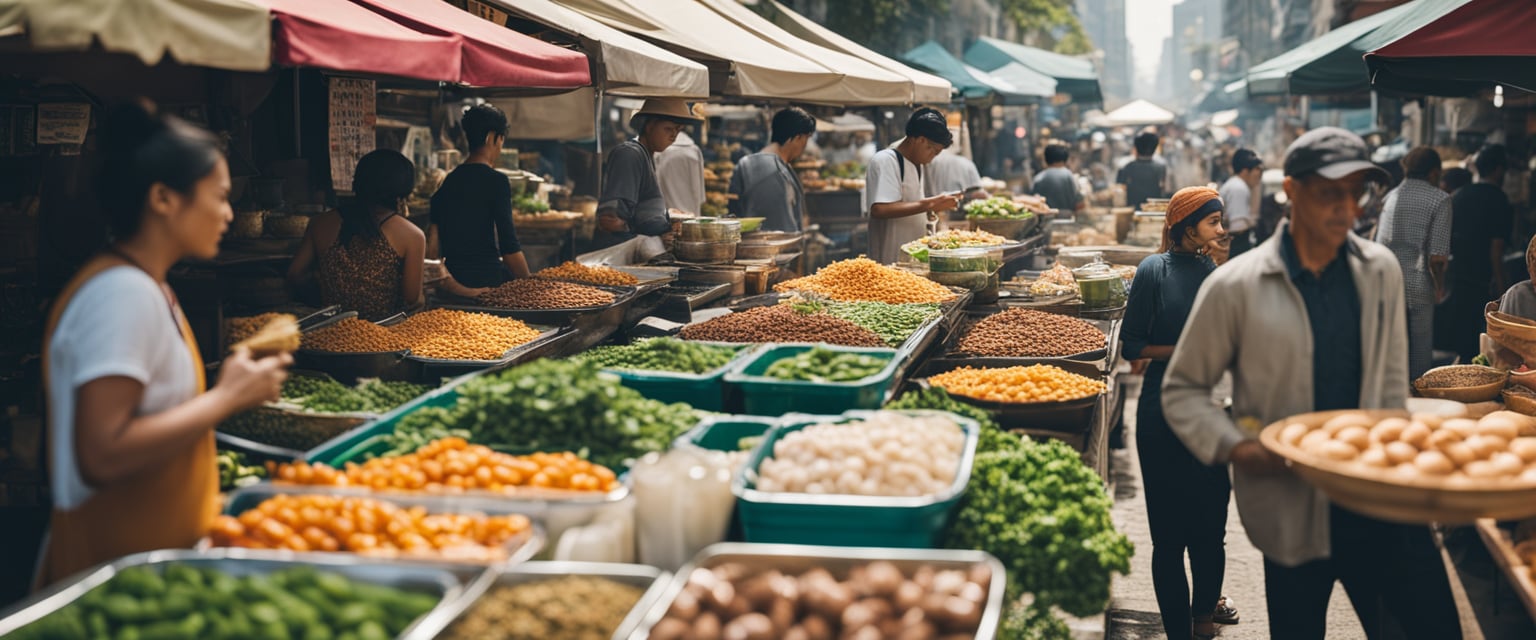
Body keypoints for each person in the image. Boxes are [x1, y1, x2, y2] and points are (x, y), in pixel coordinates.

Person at [1162, 127, 1461, 639]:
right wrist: (1237, 447)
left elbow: (1391, 385)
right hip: (1290, 505)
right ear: (1292, 193)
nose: (1346, 207)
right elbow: (1183, 390)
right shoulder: (1236, 285)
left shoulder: (1381, 270)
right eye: (1329, 192)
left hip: (1379, 495)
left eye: (1356, 192)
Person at [37, 102, 291, 586]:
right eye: (218, 197)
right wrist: (227, 397)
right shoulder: (121, 294)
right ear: (163, 198)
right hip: (116, 578)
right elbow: (102, 452)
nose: (229, 213)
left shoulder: (146, 286)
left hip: (153, 569)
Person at [1121, 187, 1236, 640]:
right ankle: (1177, 632)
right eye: (1213, 222)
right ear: (1187, 227)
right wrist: (1194, 350)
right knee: (1169, 539)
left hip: (1210, 409)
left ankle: (1204, 618)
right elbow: (1133, 346)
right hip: (1160, 411)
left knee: (1211, 530)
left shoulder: (1213, 270)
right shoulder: (1154, 270)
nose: (1221, 229)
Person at [288, 150, 424, 320]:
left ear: (357, 182)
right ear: (402, 190)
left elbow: (295, 274)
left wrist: (324, 289)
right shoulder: (412, 235)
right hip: (384, 334)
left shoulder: (320, 223)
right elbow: (412, 298)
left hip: (333, 328)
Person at [430, 104, 529, 288]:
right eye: (501, 139)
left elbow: (432, 249)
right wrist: (530, 286)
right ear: (492, 137)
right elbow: (509, 249)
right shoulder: (496, 181)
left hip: (453, 282)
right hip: (487, 283)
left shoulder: (448, 182)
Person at [1376, 147, 1452, 380]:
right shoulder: (1440, 199)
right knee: (1419, 354)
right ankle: (1419, 400)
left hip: (1387, 281)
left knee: (1389, 349)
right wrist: (1439, 286)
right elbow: (1437, 258)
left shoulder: (1390, 198)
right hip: (1419, 284)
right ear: (1433, 173)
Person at [595, 98, 702, 249]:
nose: (674, 136)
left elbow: (640, 211)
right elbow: (609, 220)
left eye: (678, 130)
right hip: (618, 255)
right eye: (668, 129)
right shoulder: (630, 155)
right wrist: (648, 239)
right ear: (650, 126)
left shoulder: (646, 156)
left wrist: (664, 215)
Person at [863, 108, 962, 264]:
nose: (932, 158)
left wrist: (932, 208)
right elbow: (879, 209)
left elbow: (911, 205)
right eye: (933, 151)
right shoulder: (886, 160)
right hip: (890, 260)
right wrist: (930, 203)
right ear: (921, 140)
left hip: (912, 261)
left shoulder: (917, 164)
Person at [1446, 144, 1514, 361]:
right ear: (1498, 170)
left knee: (1464, 343)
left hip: (1457, 278)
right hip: (1483, 282)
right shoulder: (1499, 200)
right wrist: (1502, 288)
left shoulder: (1458, 196)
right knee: (1485, 344)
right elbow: (1496, 249)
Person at [728, 107, 815, 233]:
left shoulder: (745, 163)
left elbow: (734, 209)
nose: (804, 147)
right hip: (774, 248)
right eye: (806, 139)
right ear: (798, 138)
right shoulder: (776, 171)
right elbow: (782, 224)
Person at [1218, 149, 1264, 257]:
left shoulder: (1236, 185)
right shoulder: (1238, 188)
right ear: (1245, 171)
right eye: (1257, 169)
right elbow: (1238, 227)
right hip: (1236, 245)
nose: (1260, 174)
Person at [655, 130, 705, 215]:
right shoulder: (694, 150)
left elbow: (657, 182)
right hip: (691, 209)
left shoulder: (660, 151)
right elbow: (699, 188)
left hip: (668, 209)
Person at [1119, 130, 1169, 210]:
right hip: (1154, 209)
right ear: (1155, 147)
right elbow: (1165, 189)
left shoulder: (1127, 167)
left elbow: (1120, 190)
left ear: (1135, 147)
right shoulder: (1161, 167)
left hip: (1132, 210)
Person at [1032, 143, 1085, 213]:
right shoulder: (1069, 175)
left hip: (1045, 219)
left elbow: (1033, 203)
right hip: (1068, 218)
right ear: (1065, 158)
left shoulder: (1038, 178)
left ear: (1046, 158)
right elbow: (1079, 203)